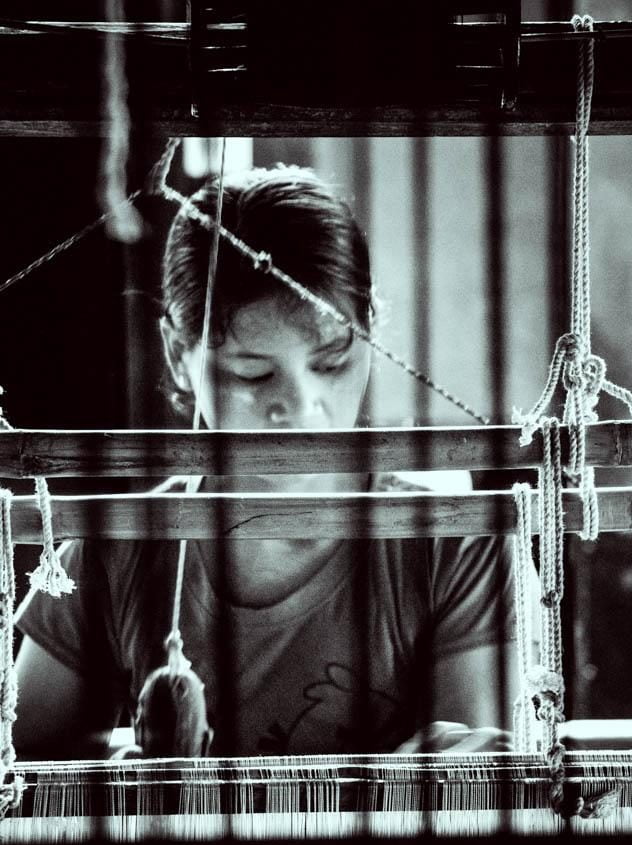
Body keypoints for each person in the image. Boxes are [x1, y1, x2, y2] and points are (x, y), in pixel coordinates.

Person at [14, 166, 520, 760]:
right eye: (252, 373)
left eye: (331, 361)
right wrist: (129, 774)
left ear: (372, 333)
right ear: (178, 355)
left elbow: (480, 785)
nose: (301, 405)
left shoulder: (454, 540)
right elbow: (20, 769)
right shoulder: (116, 550)